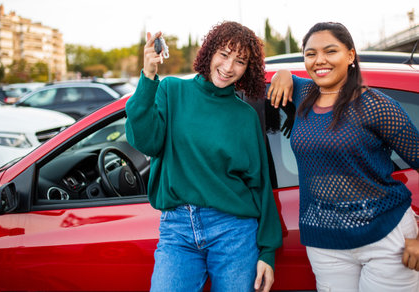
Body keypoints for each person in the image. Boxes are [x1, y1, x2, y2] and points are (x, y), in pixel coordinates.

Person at [125, 21, 282, 292]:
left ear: (248, 68)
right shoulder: (172, 91)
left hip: (234, 231)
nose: (229, 67)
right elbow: (145, 140)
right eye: (224, 54)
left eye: (240, 61)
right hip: (177, 230)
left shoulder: (244, 116)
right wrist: (149, 76)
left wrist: (267, 251)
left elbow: (260, 184)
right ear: (209, 52)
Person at [268, 22, 419, 291]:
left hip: (386, 238)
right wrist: (283, 72)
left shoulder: (376, 106)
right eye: (310, 53)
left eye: (330, 51)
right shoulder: (304, 93)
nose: (319, 60)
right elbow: (286, 78)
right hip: (325, 247)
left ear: (350, 55)